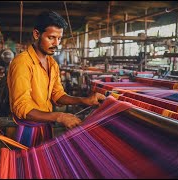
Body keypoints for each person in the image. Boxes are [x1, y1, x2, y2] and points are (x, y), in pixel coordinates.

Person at [7, 11, 105, 147]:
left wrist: (83, 100)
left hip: (45, 126)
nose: (56, 43)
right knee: (26, 164)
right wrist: (59, 116)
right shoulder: (22, 63)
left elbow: (57, 95)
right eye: (51, 37)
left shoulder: (52, 64)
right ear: (37, 34)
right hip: (26, 130)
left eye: (59, 38)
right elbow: (22, 107)